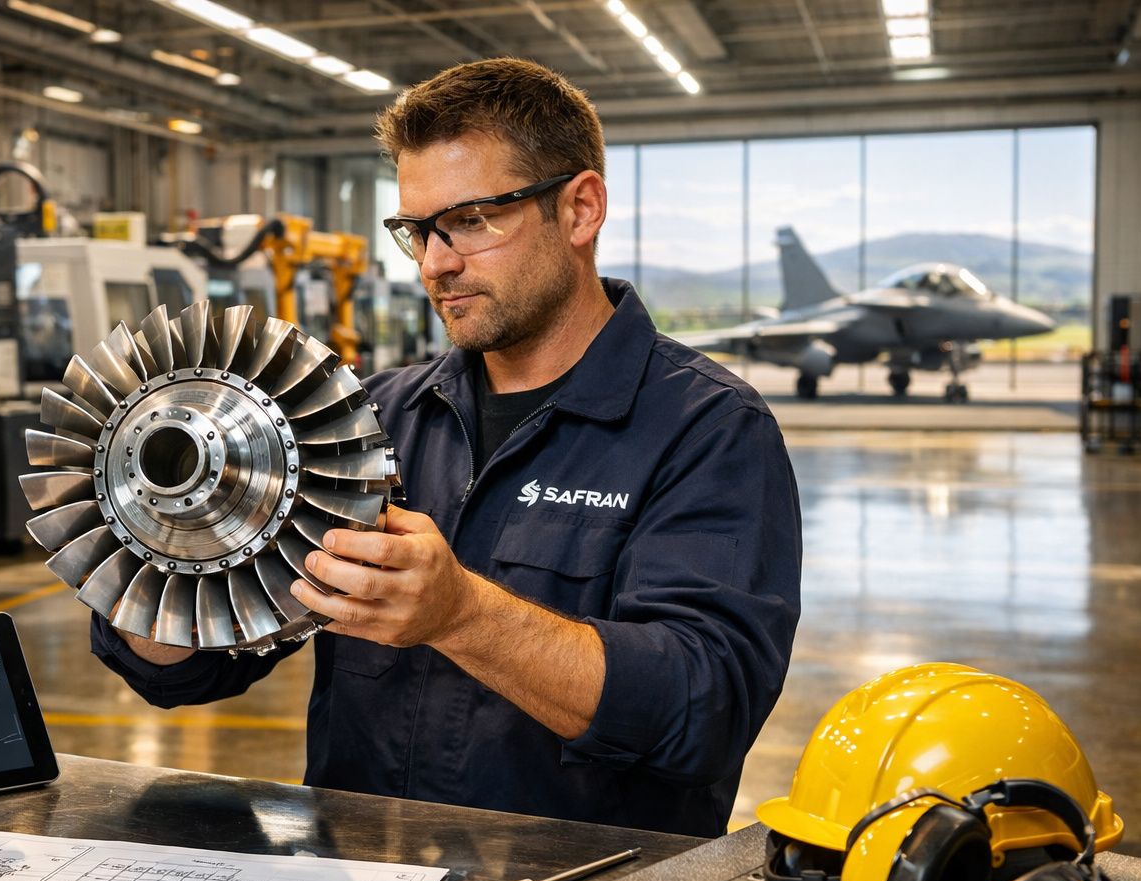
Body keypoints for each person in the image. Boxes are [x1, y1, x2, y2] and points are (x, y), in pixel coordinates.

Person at [92, 57, 801, 837]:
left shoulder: (707, 429)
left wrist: (462, 614)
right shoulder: (369, 416)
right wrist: (159, 553)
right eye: (417, 230)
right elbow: (194, 669)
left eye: (470, 220)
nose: (435, 263)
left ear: (581, 209)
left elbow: (705, 711)